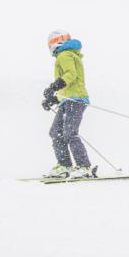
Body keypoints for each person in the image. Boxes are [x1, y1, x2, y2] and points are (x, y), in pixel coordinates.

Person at [41, 30, 96, 179]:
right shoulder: (67, 54)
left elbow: (70, 75)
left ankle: (84, 167)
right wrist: (53, 100)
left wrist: (53, 86)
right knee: (55, 132)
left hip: (75, 100)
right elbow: (68, 86)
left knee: (69, 133)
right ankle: (65, 165)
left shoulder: (64, 54)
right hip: (68, 100)